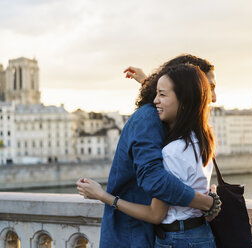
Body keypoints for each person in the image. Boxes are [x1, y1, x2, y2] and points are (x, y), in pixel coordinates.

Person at [77, 55, 219, 248]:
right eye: (208, 87)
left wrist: (102, 195)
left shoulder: (184, 136)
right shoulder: (192, 134)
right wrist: (206, 202)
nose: (212, 97)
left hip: (153, 231)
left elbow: (157, 200)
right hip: (133, 234)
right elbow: (155, 180)